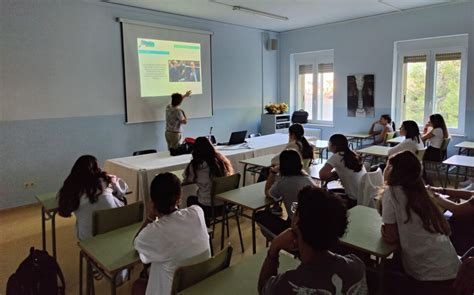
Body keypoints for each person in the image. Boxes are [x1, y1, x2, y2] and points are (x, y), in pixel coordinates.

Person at [258, 186, 368, 294]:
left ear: (297, 221)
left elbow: (263, 289)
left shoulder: (287, 285)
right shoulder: (357, 267)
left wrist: (274, 247)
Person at [378, 151, 460, 294]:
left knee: (383, 274)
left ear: (391, 170)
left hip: (429, 278)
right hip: (452, 269)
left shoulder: (391, 193)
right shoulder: (420, 190)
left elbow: (390, 237)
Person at [133, 173, 211, 295]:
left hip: (175, 289)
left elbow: (137, 243)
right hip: (201, 284)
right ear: (179, 196)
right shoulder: (197, 211)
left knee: (137, 285)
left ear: (152, 201)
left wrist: (150, 217)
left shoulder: (153, 232)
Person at [57, 155, 128, 241]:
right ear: (96, 168)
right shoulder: (105, 180)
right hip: (114, 231)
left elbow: (65, 209)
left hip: (89, 239)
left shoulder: (71, 188)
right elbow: (124, 190)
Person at [255, 150, 316, 237]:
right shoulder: (307, 178)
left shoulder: (283, 182)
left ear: (282, 166)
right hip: (313, 225)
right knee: (292, 212)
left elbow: (267, 192)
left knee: (259, 215)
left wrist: (272, 172)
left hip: (298, 229)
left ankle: (280, 240)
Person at [184, 137, 234, 220]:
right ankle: (205, 225)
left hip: (209, 207)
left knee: (191, 199)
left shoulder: (195, 166)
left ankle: (203, 225)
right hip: (226, 205)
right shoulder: (221, 161)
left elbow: (188, 179)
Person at [319, 134, 366, 207]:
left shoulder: (337, 156)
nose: (328, 145)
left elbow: (322, 175)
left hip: (352, 200)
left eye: (329, 143)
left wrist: (334, 175)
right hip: (363, 197)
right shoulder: (353, 154)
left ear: (334, 147)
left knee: (324, 195)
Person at [427, 186, 474, 255]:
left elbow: (457, 209)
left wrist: (434, 195)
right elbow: (470, 194)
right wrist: (442, 190)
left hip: (466, 236)